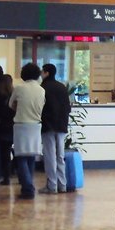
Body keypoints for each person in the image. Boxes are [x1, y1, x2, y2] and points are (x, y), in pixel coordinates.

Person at [9, 62, 45, 200]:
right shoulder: (41, 90)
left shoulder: (19, 88)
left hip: (21, 125)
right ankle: (28, 185)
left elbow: (10, 104)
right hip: (36, 125)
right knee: (31, 156)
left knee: (21, 156)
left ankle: (28, 187)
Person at [39, 63, 71, 194]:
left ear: (46, 73)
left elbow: (41, 107)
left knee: (50, 155)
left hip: (48, 125)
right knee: (60, 155)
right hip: (62, 125)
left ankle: (52, 185)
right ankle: (62, 184)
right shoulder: (62, 87)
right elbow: (67, 107)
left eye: (42, 71)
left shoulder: (43, 88)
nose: (41, 74)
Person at [0, 74, 15, 185]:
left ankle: (3, 176)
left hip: (0, 126)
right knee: (9, 151)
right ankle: (10, 174)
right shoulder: (13, 95)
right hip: (12, 126)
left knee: (1, 152)